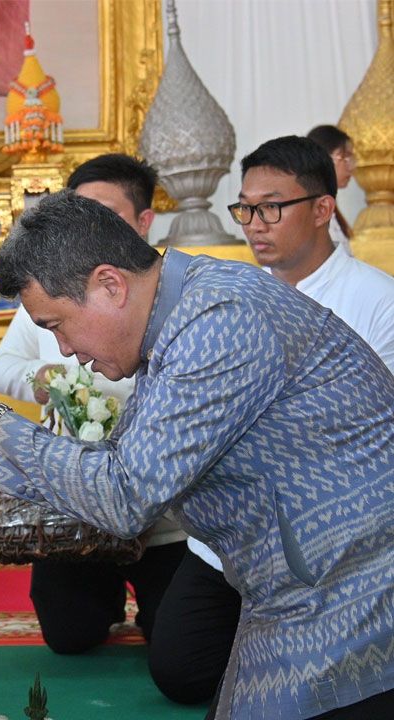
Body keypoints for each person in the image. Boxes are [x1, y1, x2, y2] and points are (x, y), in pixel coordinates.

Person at [0, 190, 394, 719]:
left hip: (355, 593)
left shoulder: (219, 320)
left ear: (110, 285)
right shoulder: (183, 311)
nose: (65, 350)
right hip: (297, 589)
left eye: (56, 326)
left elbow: (126, 496)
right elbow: (123, 457)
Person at [148, 135, 394, 708]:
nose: (254, 223)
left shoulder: (377, 300)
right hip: (237, 534)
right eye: (245, 208)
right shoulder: (236, 297)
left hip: (335, 536)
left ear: (323, 209)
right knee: (178, 669)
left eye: (271, 207)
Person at [0, 153, 186, 655]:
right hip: (74, 505)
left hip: (166, 518)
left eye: (104, 215)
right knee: (70, 636)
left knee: (182, 652)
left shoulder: (179, 300)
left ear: (144, 221)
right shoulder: (49, 290)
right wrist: (43, 377)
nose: (71, 347)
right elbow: (2, 365)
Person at [306, 125, 356, 253]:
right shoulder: (312, 212)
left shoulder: (330, 211)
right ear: (324, 158)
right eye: (345, 158)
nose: (351, 167)